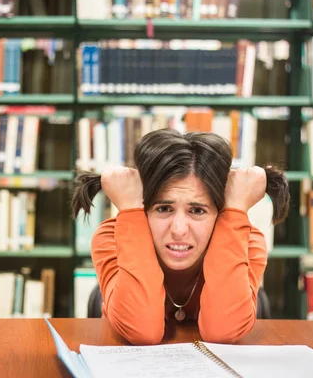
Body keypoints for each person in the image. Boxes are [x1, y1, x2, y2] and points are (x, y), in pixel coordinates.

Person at [71, 128, 290, 345]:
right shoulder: (111, 238)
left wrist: (235, 211)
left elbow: (222, 333)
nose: (178, 230)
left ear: (220, 212)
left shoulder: (247, 242)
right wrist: (128, 209)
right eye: (164, 209)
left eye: (197, 211)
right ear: (142, 206)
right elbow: (142, 332)